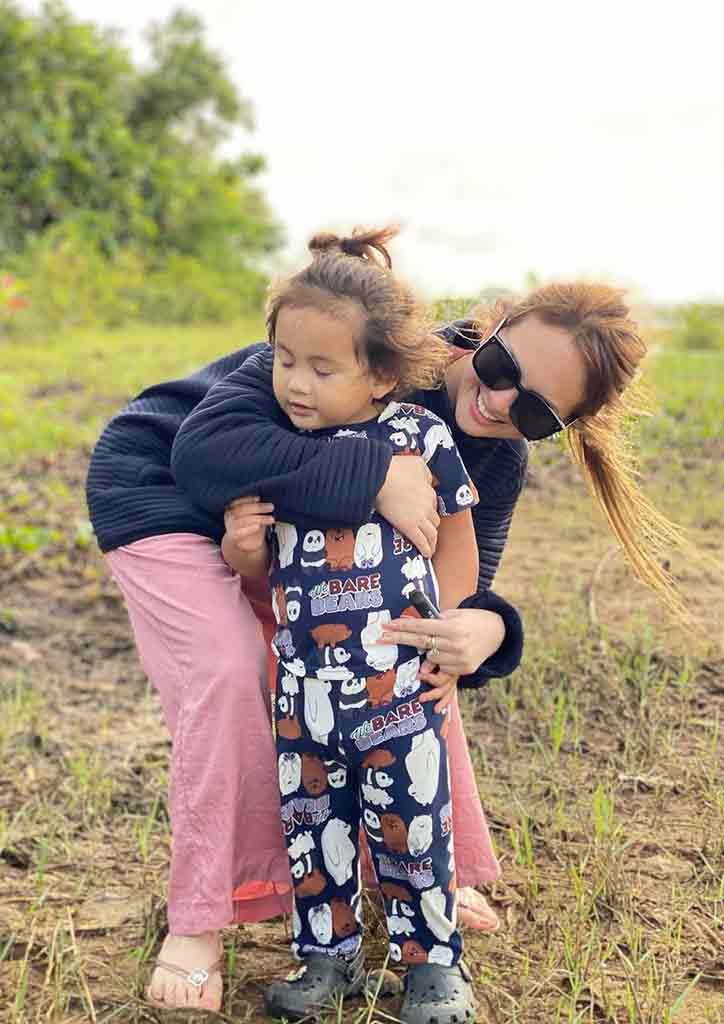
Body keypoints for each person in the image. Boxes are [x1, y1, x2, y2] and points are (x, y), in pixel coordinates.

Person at [86, 236, 523, 1012]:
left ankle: (434, 879)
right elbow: (213, 461)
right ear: (479, 341)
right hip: (164, 489)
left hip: (290, 549)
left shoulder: (423, 425)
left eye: (543, 411)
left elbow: (457, 576)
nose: (502, 403)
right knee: (229, 670)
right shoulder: (311, 367)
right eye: (500, 373)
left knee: (417, 661)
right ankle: (201, 920)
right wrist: (369, 479)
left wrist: (471, 631)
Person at [220, 227, 485, 1022]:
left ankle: (432, 964)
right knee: (313, 824)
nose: (295, 383)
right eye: (285, 361)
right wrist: (242, 552)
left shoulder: (420, 438)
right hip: (303, 689)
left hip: (397, 685)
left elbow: (459, 552)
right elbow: (266, 575)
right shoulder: (279, 446)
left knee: (411, 825)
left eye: (321, 368)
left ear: (379, 377)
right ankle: (324, 956)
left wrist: (450, 641)